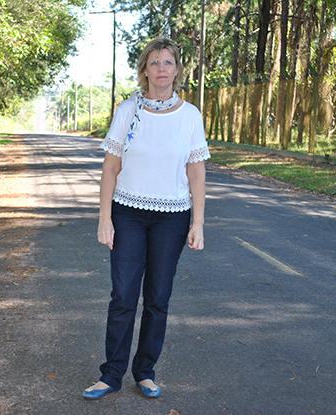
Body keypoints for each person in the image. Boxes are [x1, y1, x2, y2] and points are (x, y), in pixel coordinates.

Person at [82, 37, 210, 400]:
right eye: (155, 62)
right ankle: (111, 375)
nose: (162, 69)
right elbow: (111, 168)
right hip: (128, 213)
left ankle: (146, 372)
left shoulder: (190, 116)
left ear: (177, 70)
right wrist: (104, 218)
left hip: (172, 216)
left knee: (157, 297)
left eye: (168, 62)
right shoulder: (127, 110)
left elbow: (196, 172)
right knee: (123, 294)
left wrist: (197, 222)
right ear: (145, 70)